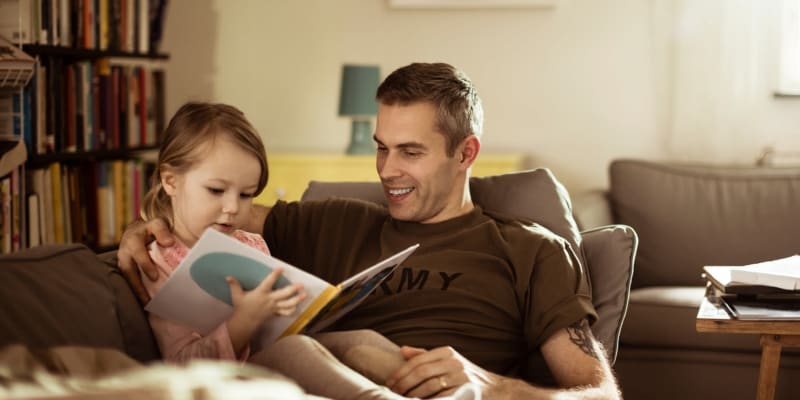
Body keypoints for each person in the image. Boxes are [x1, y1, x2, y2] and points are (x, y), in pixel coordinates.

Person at [119, 64, 621, 400]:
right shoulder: (334, 221)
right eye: (382, 147)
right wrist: (144, 230)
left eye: (410, 152)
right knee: (334, 346)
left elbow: (599, 394)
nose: (387, 170)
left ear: (465, 153)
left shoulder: (529, 248)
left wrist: (493, 386)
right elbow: (211, 206)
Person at [136, 101, 478, 400]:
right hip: (232, 379)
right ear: (170, 181)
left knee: (359, 339)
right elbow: (182, 366)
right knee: (297, 349)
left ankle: (451, 393)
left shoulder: (248, 242)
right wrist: (243, 321)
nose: (232, 208)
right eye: (216, 190)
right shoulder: (160, 264)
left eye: (245, 195)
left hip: (281, 357)